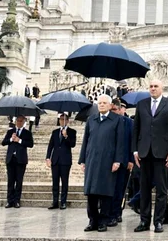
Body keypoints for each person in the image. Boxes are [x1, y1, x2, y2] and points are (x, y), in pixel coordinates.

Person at [132, 80, 168, 234]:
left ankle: (158, 221)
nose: (153, 88)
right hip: (144, 152)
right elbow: (136, 129)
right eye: (151, 86)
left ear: (162, 88)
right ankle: (144, 221)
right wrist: (135, 151)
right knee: (144, 188)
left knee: (161, 189)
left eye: (155, 86)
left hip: (162, 153)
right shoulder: (141, 104)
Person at [79, 94, 124, 232]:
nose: (102, 105)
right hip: (92, 160)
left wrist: (117, 160)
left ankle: (103, 221)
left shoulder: (116, 120)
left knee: (105, 192)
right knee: (91, 192)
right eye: (99, 103)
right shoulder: (91, 119)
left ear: (111, 105)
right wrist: (82, 160)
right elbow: (85, 140)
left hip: (108, 161)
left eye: (104, 103)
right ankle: (93, 220)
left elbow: (120, 142)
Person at [2, 115, 34, 208]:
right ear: (15, 121)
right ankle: (9, 200)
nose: (19, 122)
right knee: (10, 181)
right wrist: (12, 139)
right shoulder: (10, 131)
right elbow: (4, 142)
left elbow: (30, 144)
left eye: (21, 121)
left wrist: (19, 140)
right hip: (11, 159)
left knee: (19, 181)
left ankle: (17, 200)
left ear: (24, 122)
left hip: (21, 160)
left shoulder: (27, 133)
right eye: (18, 121)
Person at [45, 113, 76, 210]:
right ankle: (55, 202)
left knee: (64, 182)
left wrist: (66, 136)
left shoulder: (72, 132)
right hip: (55, 160)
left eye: (64, 119)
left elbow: (72, 144)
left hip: (65, 160)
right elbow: (51, 146)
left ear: (68, 121)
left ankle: (63, 202)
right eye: (61, 119)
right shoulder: (54, 132)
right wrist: (48, 158)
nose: (62, 121)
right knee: (55, 182)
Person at [110, 99, 133, 225]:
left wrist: (131, 160)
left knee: (120, 189)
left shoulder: (129, 123)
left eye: (114, 110)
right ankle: (109, 212)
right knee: (110, 189)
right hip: (109, 162)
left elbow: (132, 142)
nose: (112, 112)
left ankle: (117, 213)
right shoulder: (108, 122)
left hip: (124, 161)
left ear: (120, 110)